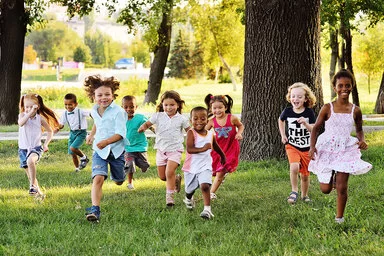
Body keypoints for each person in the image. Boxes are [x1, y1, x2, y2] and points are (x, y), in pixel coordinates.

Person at [308, 69, 372, 224]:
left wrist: (361, 140)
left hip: (346, 149)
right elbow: (316, 127)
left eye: (348, 85)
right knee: (325, 189)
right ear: (335, 88)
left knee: (342, 188)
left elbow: (359, 129)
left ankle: (339, 218)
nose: (344, 88)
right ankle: (332, 178)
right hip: (327, 147)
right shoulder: (327, 108)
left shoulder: (355, 110)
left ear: (352, 86)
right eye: (340, 85)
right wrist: (312, 147)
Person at [84, 75, 127, 222]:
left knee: (119, 180)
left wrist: (107, 141)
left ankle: (123, 172)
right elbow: (98, 122)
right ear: (94, 96)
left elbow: (121, 134)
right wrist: (91, 134)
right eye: (100, 95)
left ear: (113, 95)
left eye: (107, 94)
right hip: (99, 151)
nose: (104, 98)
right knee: (98, 178)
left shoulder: (119, 112)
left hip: (116, 151)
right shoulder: (94, 110)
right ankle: (95, 210)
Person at [138, 90, 190, 207]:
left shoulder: (182, 119)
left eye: (172, 105)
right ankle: (176, 179)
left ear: (178, 105)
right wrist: (142, 127)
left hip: (175, 150)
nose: (169, 107)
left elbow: (189, 131)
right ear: (162, 105)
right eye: (166, 105)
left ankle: (170, 198)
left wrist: (195, 140)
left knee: (169, 172)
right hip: (161, 150)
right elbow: (148, 124)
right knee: (163, 177)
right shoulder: (158, 116)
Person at [182, 107, 226, 219]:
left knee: (205, 186)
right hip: (191, 167)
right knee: (189, 190)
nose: (199, 121)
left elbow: (215, 145)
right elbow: (190, 149)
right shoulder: (191, 133)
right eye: (195, 119)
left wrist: (222, 155)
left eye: (202, 118)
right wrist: (203, 148)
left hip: (205, 165)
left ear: (207, 120)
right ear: (191, 120)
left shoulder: (210, 133)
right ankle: (188, 198)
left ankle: (207, 210)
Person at [278, 83, 316, 204]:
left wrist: (305, 123)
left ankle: (304, 195)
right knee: (294, 167)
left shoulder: (309, 113)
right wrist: (283, 135)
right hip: (292, 146)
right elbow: (281, 120)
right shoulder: (287, 111)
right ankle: (294, 191)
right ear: (290, 97)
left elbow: (314, 130)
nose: (296, 99)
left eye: (300, 97)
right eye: (293, 96)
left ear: (306, 99)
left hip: (306, 148)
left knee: (305, 176)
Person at [18, 93, 60, 198]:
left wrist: (46, 144)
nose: (28, 109)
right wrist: (29, 112)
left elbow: (50, 132)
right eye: (26, 107)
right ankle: (39, 194)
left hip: (36, 148)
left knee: (30, 161)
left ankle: (32, 186)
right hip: (23, 150)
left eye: (31, 107)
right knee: (30, 175)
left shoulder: (40, 119)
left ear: (37, 107)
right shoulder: (22, 115)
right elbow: (21, 123)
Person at [204, 94, 244, 199]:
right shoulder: (212, 121)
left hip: (230, 148)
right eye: (214, 108)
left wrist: (239, 133)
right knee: (216, 169)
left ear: (225, 107)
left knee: (220, 172)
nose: (217, 110)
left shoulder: (232, 118)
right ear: (211, 109)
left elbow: (240, 126)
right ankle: (222, 174)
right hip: (217, 148)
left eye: (220, 108)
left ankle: (211, 193)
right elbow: (204, 132)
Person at [122, 95, 150, 190]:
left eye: (131, 107)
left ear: (136, 107)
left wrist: (157, 132)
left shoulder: (140, 118)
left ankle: (142, 165)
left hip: (141, 147)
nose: (128, 109)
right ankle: (130, 183)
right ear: (122, 108)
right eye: (126, 107)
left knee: (145, 165)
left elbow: (150, 124)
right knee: (129, 164)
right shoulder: (121, 120)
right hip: (128, 148)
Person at [57, 93, 90, 172]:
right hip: (72, 133)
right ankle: (77, 168)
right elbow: (61, 125)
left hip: (81, 133)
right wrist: (56, 127)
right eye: (66, 104)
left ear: (76, 104)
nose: (68, 107)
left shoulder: (80, 111)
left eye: (70, 104)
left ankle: (84, 158)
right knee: (72, 153)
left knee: (73, 148)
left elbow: (90, 114)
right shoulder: (65, 113)